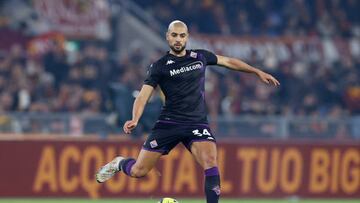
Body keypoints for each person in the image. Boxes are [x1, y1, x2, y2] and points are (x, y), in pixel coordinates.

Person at [95, 20, 280, 203]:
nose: (178, 39)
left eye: (182, 36)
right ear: (168, 37)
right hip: (169, 123)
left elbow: (228, 61)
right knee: (138, 171)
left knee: (210, 160)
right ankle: (119, 163)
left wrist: (256, 71)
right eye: (174, 35)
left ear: (187, 38)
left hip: (196, 122)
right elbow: (143, 96)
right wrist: (135, 118)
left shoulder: (200, 57)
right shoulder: (159, 66)